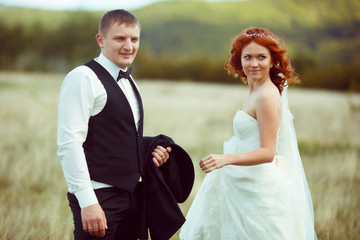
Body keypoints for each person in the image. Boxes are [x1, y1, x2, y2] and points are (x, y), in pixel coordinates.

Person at [179, 27, 317, 239]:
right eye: (248, 57)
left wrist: (225, 159)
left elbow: (268, 152)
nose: (254, 63)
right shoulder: (257, 91)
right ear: (239, 60)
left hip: (258, 187)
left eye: (261, 57)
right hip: (242, 180)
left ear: (272, 61)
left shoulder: (266, 97)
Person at [57, 9, 178, 240]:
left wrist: (151, 150)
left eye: (134, 39)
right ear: (100, 40)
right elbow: (69, 144)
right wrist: (88, 202)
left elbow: (117, 134)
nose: (129, 46)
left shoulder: (129, 80)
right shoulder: (82, 78)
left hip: (133, 196)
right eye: (120, 38)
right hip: (99, 197)